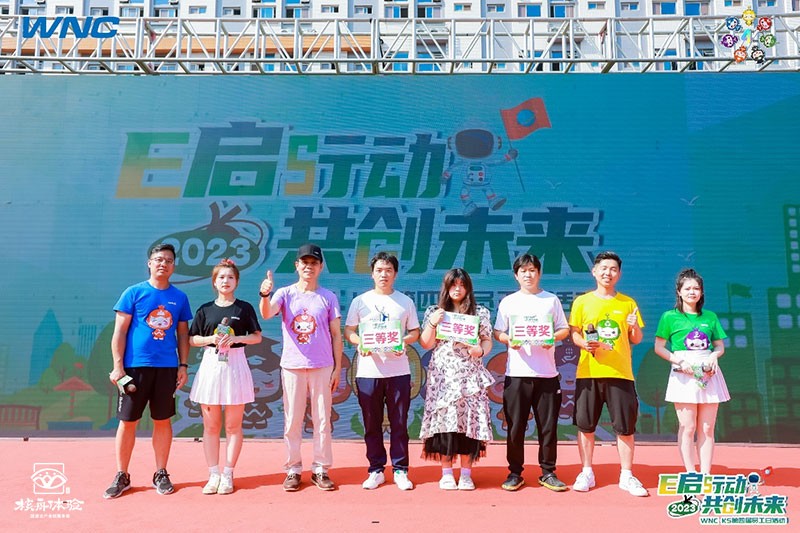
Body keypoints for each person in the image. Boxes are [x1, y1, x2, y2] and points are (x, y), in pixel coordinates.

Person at [104, 243, 192, 499]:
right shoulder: (134, 292)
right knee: (128, 421)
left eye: (168, 260)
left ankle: (161, 473)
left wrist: (183, 365)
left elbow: (183, 334)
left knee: (162, 420)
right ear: (150, 263)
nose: (163, 264)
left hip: (167, 368)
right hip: (134, 368)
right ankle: (122, 474)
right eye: (158, 259)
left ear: (174, 266)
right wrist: (118, 367)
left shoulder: (180, 298)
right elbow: (119, 332)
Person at [259, 243, 343, 491]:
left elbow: (336, 335)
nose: (309, 267)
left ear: (321, 267)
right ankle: (294, 469)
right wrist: (264, 294)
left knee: (322, 420)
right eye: (304, 262)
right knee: (293, 420)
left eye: (314, 263)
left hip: (322, 366)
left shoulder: (328, 297)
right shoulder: (285, 293)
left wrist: (337, 368)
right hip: (293, 366)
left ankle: (320, 468)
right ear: (297, 265)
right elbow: (267, 313)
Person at [569, 251, 648, 497]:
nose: (608, 273)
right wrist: (585, 344)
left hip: (620, 373)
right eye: (603, 268)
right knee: (586, 426)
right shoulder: (582, 302)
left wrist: (633, 326)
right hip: (589, 372)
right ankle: (586, 471)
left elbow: (636, 338)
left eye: (613, 269)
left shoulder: (628, 303)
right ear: (594, 272)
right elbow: (574, 333)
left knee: (625, 427)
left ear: (619, 274)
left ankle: (626, 474)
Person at [493, 254, 570, 492]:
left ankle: (548, 472)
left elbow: (564, 329)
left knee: (548, 426)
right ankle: (515, 472)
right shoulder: (508, 302)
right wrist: (509, 340)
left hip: (547, 375)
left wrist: (552, 339)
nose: (528, 275)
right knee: (515, 426)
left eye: (532, 270)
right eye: (523, 271)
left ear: (539, 273)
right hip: (517, 374)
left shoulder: (551, 300)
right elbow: (498, 332)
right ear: (516, 275)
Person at [344, 252, 420, 491]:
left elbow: (415, 332)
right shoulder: (360, 301)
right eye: (379, 270)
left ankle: (400, 469)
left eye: (388, 270)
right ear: (372, 274)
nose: (383, 275)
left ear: (395, 274)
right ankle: (376, 469)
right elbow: (349, 331)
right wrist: (360, 343)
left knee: (399, 422)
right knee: (371, 423)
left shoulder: (405, 302)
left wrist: (403, 342)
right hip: (368, 372)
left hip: (398, 371)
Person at [189, 259, 262, 495]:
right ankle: (213, 474)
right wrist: (211, 339)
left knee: (233, 425)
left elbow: (257, 337)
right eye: (221, 277)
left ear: (237, 282)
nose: (225, 281)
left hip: (236, 364)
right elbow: (192, 339)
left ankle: (228, 473)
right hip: (211, 364)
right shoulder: (205, 310)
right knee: (211, 426)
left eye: (230, 277)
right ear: (214, 282)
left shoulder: (244, 308)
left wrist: (236, 339)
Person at [419, 268, 493, 491]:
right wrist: (432, 323)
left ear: (468, 288)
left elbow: (487, 340)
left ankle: (467, 474)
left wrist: (480, 350)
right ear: (446, 287)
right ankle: (447, 473)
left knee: (469, 424)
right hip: (443, 378)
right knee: (445, 424)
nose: (457, 289)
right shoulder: (435, 312)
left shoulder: (479, 313)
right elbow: (426, 343)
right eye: (453, 284)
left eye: (462, 284)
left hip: (470, 377)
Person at [654, 268, 730, 474]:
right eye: (687, 288)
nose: (692, 292)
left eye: (696, 288)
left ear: (702, 292)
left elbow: (719, 346)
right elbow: (659, 347)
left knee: (707, 428)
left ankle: (705, 474)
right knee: (688, 427)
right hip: (683, 374)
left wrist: (713, 356)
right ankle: (690, 473)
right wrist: (679, 361)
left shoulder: (710, 317)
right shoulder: (669, 317)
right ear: (679, 292)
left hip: (708, 374)